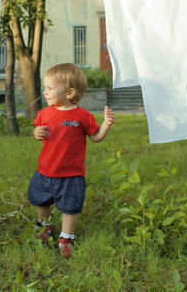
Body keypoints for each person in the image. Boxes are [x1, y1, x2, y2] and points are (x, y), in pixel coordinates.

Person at [28, 63, 115, 259]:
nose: (45, 92)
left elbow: (95, 137)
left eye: (50, 88)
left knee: (70, 207)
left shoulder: (82, 115)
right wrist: (37, 132)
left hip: (71, 175)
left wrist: (106, 125)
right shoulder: (44, 113)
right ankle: (45, 225)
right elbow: (38, 132)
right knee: (40, 199)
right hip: (45, 171)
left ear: (69, 92)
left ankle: (66, 237)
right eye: (45, 87)